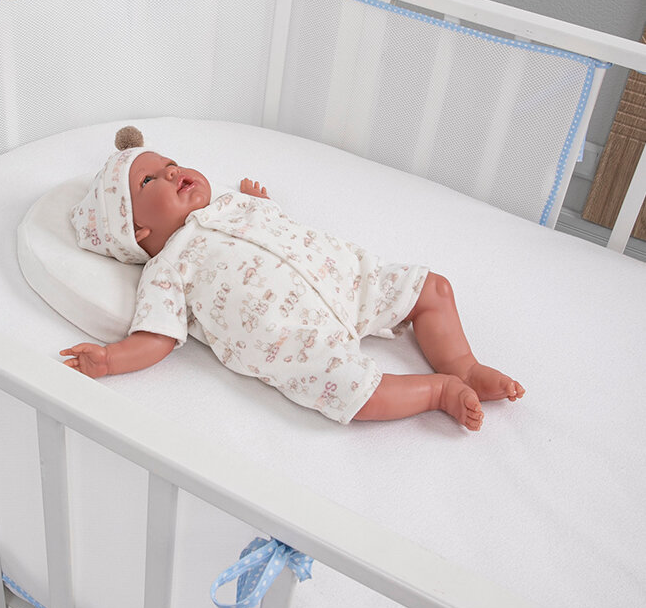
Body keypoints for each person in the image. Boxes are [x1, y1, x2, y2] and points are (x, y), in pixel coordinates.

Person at [62, 128, 524, 430]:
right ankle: (438, 391)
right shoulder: (166, 268)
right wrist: (111, 360)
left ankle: (463, 365)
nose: (171, 172)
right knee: (354, 394)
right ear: (136, 232)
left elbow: (278, 226)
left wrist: (260, 202)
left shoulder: (231, 204)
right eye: (149, 182)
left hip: (351, 282)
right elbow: (156, 336)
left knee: (433, 288)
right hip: (300, 340)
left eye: (170, 164)